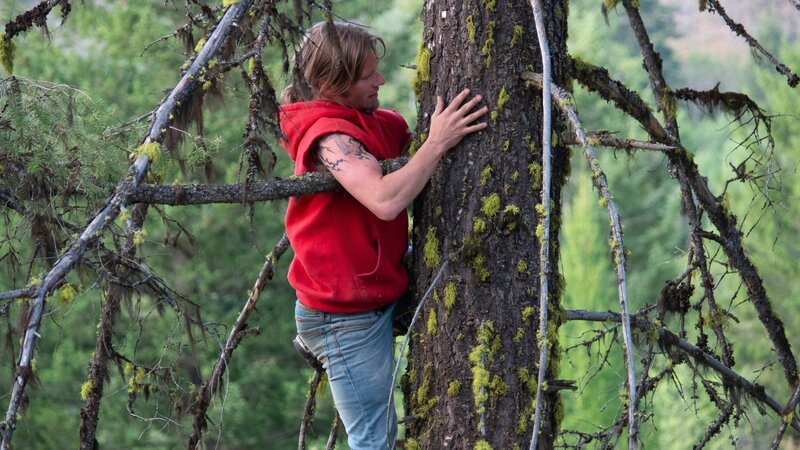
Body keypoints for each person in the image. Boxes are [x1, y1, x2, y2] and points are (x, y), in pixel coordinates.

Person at [279, 21, 488, 449]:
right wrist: (436, 144)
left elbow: (407, 161)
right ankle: (327, 345)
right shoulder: (330, 140)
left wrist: (428, 143)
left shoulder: (372, 122)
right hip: (344, 316)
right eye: (367, 75)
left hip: (375, 286)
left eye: (377, 69)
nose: (381, 80)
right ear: (328, 83)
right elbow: (384, 199)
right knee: (374, 439)